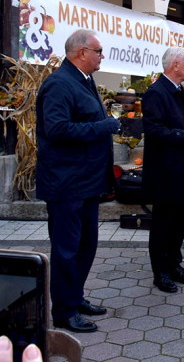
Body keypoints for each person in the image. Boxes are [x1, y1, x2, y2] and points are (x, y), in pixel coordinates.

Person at [36, 29, 119, 333]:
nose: (101, 56)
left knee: (86, 246)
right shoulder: (59, 84)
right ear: (82, 52)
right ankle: (64, 311)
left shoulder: (83, 80)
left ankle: (75, 297)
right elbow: (57, 130)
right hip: (65, 183)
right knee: (66, 250)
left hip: (86, 182)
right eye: (98, 51)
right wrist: (104, 126)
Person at [142, 47, 184, 293]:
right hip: (164, 171)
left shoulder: (181, 91)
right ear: (174, 65)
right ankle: (160, 272)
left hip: (183, 168)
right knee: (163, 223)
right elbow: (153, 131)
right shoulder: (155, 92)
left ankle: (174, 264)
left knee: (181, 221)